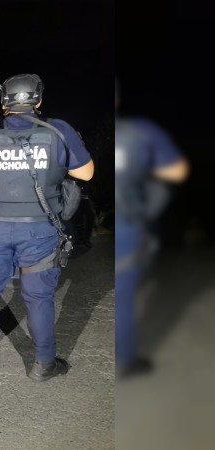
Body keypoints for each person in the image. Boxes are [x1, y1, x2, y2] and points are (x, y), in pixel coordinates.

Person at [0, 74, 95, 381]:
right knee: (38, 298)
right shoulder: (59, 130)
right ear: (38, 100)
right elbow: (86, 173)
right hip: (40, 231)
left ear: (3, 101)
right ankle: (43, 365)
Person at [114, 79, 189, 378]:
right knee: (123, 297)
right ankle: (125, 360)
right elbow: (177, 171)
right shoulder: (139, 132)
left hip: (116, 223)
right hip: (129, 224)